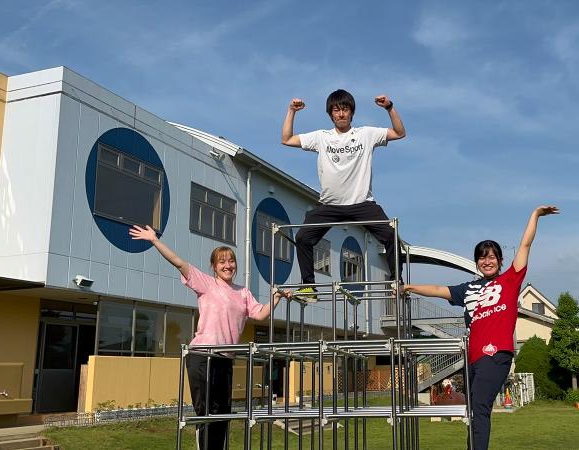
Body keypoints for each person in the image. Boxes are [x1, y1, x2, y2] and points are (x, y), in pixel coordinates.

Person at [402, 206, 559, 450]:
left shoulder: (509, 280)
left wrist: (535, 215)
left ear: (500, 260)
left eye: (492, 256)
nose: (487, 261)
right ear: (477, 262)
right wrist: (409, 287)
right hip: (473, 359)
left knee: (479, 409)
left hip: (496, 355)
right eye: (482, 257)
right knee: (473, 412)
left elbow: (526, 245)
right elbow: (438, 289)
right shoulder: (468, 289)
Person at [129, 224, 291, 450]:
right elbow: (177, 261)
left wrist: (275, 298)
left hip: (225, 358)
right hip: (202, 355)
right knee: (206, 411)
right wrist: (154, 240)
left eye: (231, 261)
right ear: (214, 267)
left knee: (223, 412)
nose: (228, 265)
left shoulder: (242, 292)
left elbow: (261, 314)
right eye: (222, 261)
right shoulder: (206, 283)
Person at [281, 89, 406, 297]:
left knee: (391, 235)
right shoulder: (321, 137)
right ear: (331, 114)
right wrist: (291, 111)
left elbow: (399, 133)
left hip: (362, 204)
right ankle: (309, 286)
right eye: (336, 110)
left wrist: (389, 108)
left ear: (351, 112)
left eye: (345, 109)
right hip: (330, 205)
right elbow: (286, 139)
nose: (341, 114)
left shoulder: (365, 134)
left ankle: (396, 281)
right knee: (303, 237)